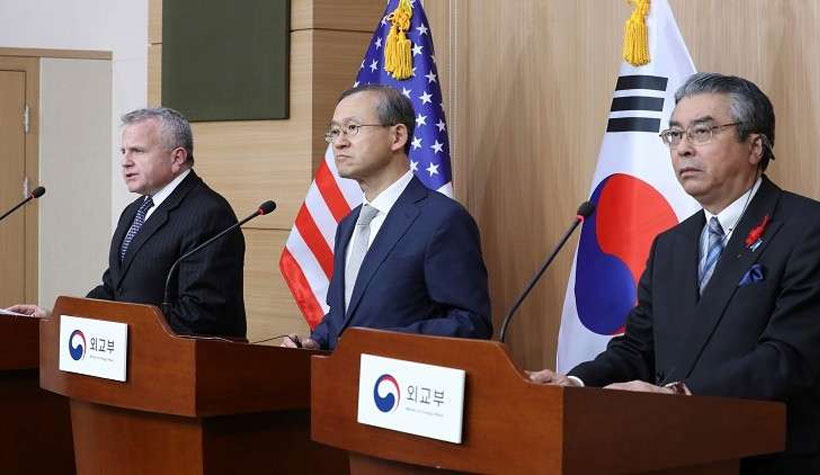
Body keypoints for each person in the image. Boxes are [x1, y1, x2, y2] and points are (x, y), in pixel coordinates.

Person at [530, 73, 820, 473]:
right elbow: (638, 349)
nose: (683, 148)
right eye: (675, 134)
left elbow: (788, 357)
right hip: (676, 456)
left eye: (702, 131)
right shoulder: (671, 245)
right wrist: (574, 384)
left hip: (769, 459)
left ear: (755, 146)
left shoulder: (812, 230)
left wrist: (680, 395)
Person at [282, 85, 492, 350]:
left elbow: (471, 324)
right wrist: (316, 341)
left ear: (397, 136)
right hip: (345, 374)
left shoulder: (443, 220)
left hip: (401, 374)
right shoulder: (349, 225)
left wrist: (382, 344)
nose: (339, 142)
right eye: (334, 131)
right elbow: (344, 319)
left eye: (352, 128)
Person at [7, 107, 246, 338]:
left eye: (137, 151)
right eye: (123, 151)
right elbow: (113, 290)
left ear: (177, 158)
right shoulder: (135, 211)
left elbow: (200, 315)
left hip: (180, 359)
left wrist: (119, 331)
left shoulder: (209, 214)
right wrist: (57, 319)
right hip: (131, 354)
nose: (125, 161)